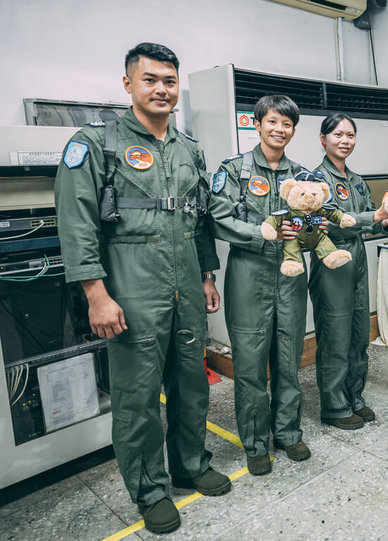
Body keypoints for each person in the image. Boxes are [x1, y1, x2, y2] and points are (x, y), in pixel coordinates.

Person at [54, 42, 230, 534]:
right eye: (150, 79)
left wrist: (206, 275)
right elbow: (76, 224)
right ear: (128, 84)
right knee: (137, 396)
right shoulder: (96, 143)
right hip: (130, 288)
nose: (161, 89)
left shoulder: (189, 148)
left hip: (186, 285)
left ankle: (190, 465)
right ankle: (150, 489)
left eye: (169, 81)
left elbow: (200, 222)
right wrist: (95, 293)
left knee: (191, 383)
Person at [207, 95, 311, 469]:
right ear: (257, 124)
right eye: (273, 122)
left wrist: (316, 229)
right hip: (249, 277)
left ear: (293, 130)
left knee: (288, 360)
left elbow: (310, 224)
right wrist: (263, 233)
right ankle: (255, 443)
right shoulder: (233, 170)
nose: (279, 130)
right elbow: (218, 218)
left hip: (291, 278)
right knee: (250, 366)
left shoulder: (301, 175)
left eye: (287, 124)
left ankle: (288, 433)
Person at [309, 113, 388, 430]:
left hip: (357, 255)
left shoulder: (356, 180)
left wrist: (387, 218)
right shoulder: (315, 180)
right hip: (331, 257)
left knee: (358, 330)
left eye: (350, 135)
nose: (345, 140)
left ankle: (354, 395)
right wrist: (371, 216)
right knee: (335, 333)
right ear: (322, 139)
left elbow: (370, 216)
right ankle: (334, 404)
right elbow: (325, 223)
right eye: (338, 134)